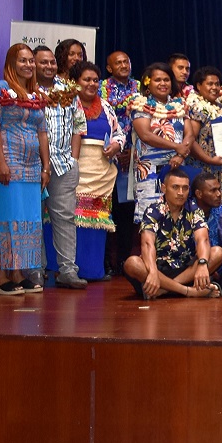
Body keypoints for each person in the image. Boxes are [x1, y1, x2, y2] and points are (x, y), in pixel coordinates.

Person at [0, 45, 50, 294]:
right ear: (12, 63)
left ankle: (17, 272)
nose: (28, 65)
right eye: (22, 61)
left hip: (32, 165)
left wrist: (46, 166)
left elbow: (42, 132)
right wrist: (1, 162)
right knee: (7, 217)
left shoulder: (36, 94)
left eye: (31, 61)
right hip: (9, 161)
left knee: (27, 219)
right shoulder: (0, 88)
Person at [123, 168, 222, 298]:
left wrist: (203, 263)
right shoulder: (153, 210)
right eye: (175, 187)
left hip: (185, 270)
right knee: (132, 263)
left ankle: (164, 290)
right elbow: (147, 244)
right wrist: (153, 272)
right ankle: (188, 291)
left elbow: (202, 239)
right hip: (158, 270)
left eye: (185, 188)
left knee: (217, 252)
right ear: (164, 189)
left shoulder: (194, 209)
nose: (180, 193)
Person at [34, 45, 88, 287]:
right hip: (31, 165)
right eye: (42, 62)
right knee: (33, 218)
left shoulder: (68, 90)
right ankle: (35, 270)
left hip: (65, 165)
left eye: (51, 63)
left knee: (65, 218)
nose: (48, 66)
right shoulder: (24, 90)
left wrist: (74, 159)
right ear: (33, 64)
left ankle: (67, 271)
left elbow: (79, 126)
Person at [70, 62, 126, 281]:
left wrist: (116, 145)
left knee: (97, 221)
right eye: (86, 79)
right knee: (73, 220)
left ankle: (93, 271)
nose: (92, 84)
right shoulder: (68, 104)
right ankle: (70, 271)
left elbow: (119, 133)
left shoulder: (105, 106)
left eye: (95, 80)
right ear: (75, 82)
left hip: (101, 171)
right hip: (75, 167)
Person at [130, 63, 191, 223]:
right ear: (148, 83)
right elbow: (145, 135)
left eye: (166, 80)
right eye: (157, 80)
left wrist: (179, 154)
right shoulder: (140, 103)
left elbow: (189, 134)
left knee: (177, 218)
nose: (163, 83)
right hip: (150, 170)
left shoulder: (180, 104)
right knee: (151, 219)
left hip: (177, 166)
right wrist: (176, 147)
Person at [101, 50, 140, 275]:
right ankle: (105, 261)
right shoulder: (101, 88)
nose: (124, 65)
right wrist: (117, 151)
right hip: (108, 157)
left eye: (126, 61)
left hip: (133, 158)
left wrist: (131, 152)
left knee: (126, 212)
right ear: (109, 68)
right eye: (118, 62)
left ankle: (125, 262)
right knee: (107, 210)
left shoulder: (140, 88)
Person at [185, 66, 222, 206]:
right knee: (207, 208)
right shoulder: (196, 106)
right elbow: (190, 140)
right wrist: (210, 160)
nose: (215, 87)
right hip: (206, 169)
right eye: (210, 84)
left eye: (217, 84)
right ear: (199, 86)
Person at [191, 171, 222, 247]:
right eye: (213, 190)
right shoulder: (188, 212)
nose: (219, 194)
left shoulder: (221, 211)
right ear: (199, 194)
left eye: (219, 189)